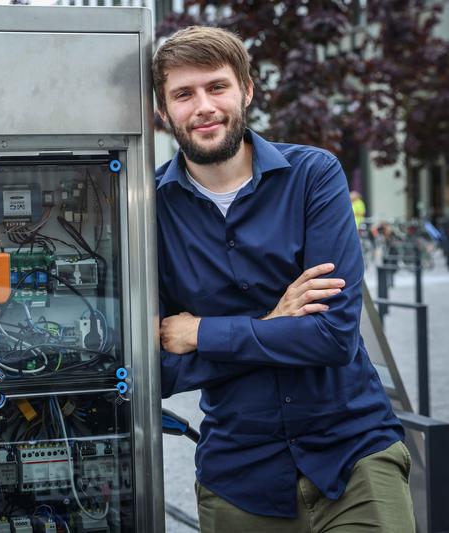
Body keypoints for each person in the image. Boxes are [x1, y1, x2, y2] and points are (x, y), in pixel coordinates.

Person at [153, 26, 413, 532]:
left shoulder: (314, 175)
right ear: (164, 112)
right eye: (184, 94)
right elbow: (158, 369)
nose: (203, 106)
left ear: (246, 90)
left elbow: (332, 336)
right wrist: (273, 321)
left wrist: (201, 332)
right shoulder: (149, 210)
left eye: (217, 87)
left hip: (353, 455)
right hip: (239, 475)